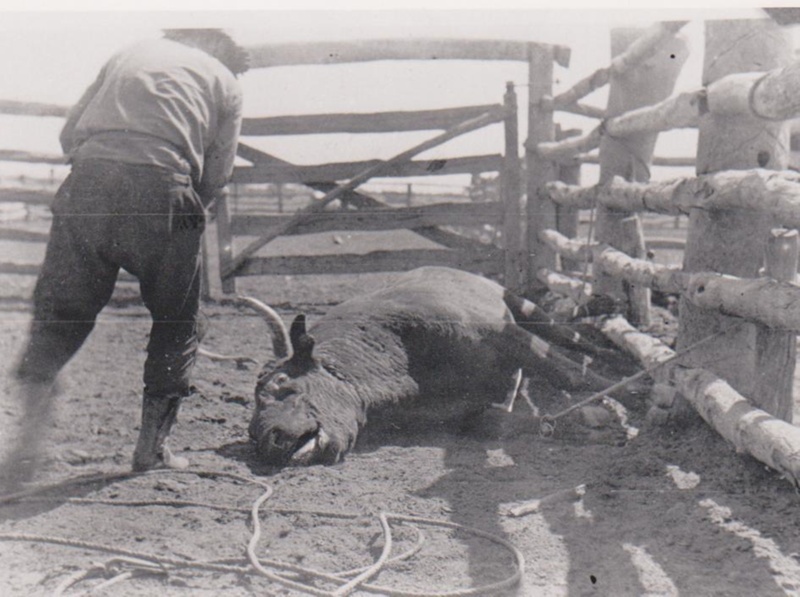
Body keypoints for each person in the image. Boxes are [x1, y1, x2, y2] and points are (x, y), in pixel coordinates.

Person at [6, 29, 248, 486]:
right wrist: (184, 206)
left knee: (60, 311)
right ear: (223, 53)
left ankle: (27, 448)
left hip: (89, 183)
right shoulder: (225, 81)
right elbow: (218, 173)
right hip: (166, 188)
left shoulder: (131, 52)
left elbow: (67, 133)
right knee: (178, 321)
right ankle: (151, 450)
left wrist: (101, 167)